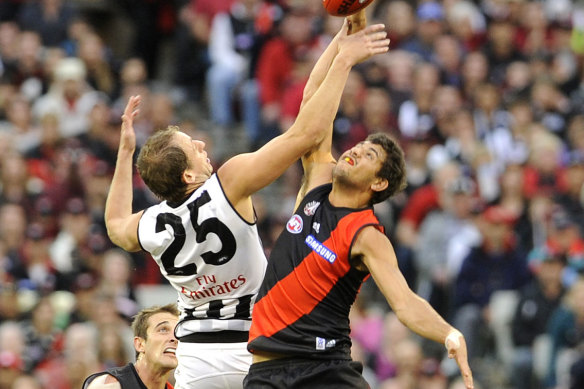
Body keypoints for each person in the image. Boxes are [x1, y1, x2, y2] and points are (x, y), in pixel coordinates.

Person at [104, 14, 391, 389]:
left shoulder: (149, 224)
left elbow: (114, 225)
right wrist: (343, 59)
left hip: (195, 364)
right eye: (193, 147)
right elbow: (307, 132)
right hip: (256, 352)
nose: (203, 145)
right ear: (188, 176)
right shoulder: (229, 182)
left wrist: (125, 154)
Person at [245, 11, 474, 389]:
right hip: (266, 370)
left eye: (369, 156)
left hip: (325, 370)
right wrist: (342, 39)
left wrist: (450, 334)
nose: (354, 152)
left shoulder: (367, 234)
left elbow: (404, 303)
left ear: (379, 183)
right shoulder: (318, 182)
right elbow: (311, 104)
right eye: (360, 146)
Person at [83, 303, 179, 389]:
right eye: (163, 330)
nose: (174, 338)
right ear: (140, 344)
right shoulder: (109, 386)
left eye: (178, 332)